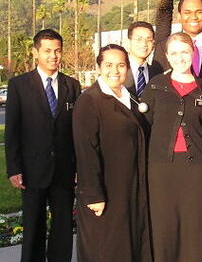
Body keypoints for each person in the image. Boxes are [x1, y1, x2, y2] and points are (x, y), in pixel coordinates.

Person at [141, 32, 202, 262]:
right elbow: (142, 128)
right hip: (161, 169)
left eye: (185, 51)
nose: (180, 57)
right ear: (167, 56)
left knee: (194, 225)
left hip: (196, 169)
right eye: (174, 53)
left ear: (193, 53)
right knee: (164, 224)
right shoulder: (156, 86)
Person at [5, 29, 81, 262]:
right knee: (33, 227)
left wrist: (78, 166)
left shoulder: (72, 86)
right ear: (36, 52)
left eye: (57, 50)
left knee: (62, 227)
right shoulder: (19, 85)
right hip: (31, 170)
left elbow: (76, 132)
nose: (53, 56)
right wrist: (14, 167)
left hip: (63, 171)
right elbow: (12, 130)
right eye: (47, 51)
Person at [72, 44, 151, 262]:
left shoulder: (131, 98)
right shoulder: (89, 102)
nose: (114, 70)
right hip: (105, 192)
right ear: (98, 67)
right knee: (107, 249)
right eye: (108, 64)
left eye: (121, 65)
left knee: (130, 246)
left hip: (130, 188)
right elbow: (86, 151)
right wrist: (94, 195)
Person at [154, 0, 202, 78]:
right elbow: (157, 81)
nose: (194, 17)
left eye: (199, 12)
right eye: (187, 13)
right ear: (179, 16)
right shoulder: (163, 46)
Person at [124, 21, 163, 98]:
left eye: (149, 40)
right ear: (128, 42)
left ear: (153, 45)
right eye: (139, 39)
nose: (144, 44)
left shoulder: (157, 74)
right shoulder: (118, 72)